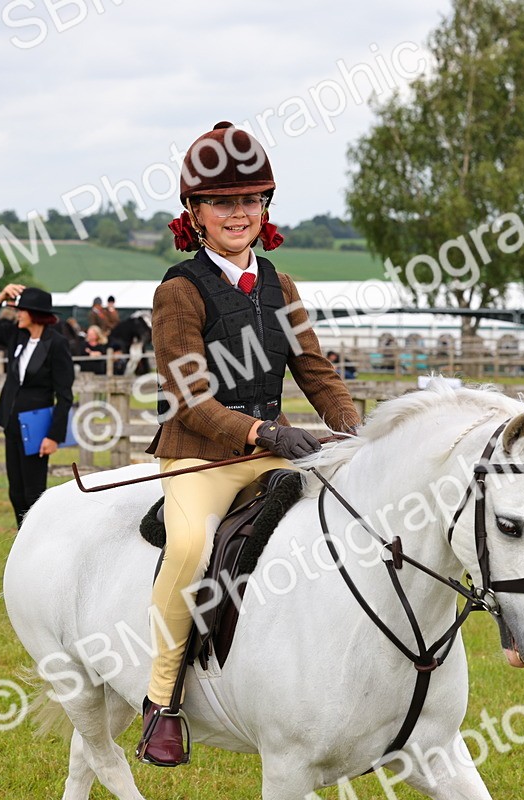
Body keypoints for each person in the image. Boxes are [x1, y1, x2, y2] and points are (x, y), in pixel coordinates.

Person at [135, 120, 362, 767]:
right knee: (188, 547)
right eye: (223, 202)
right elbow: (190, 397)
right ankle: (161, 701)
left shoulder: (280, 286)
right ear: (195, 213)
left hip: (274, 447)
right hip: (201, 454)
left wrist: (355, 429)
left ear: (265, 208)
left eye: (250, 200)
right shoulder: (178, 290)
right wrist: (263, 430)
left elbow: (315, 372)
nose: (239, 213)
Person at [0, 284, 75, 528]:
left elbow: (65, 395)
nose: (17, 314)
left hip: (37, 427)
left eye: (21, 310)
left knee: (33, 492)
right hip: (12, 423)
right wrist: (0, 297)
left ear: (34, 313)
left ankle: (37, 540)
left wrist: (53, 436)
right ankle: (22, 539)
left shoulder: (57, 344)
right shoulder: (16, 335)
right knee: (15, 491)